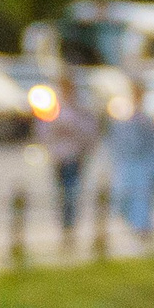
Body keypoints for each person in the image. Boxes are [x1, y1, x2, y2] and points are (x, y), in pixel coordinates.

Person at [102, 92, 154, 245]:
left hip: (144, 166)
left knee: (142, 199)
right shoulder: (124, 118)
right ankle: (138, 228)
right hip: (127, 166)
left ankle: (143, 230)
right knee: (122, 197)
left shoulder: (149, 119)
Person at [39, 76, 99, 248]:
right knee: (62, 192)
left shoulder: (80, 110)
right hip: (59, 157)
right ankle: (65, 226)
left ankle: (70, 226)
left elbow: (90, 133)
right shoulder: (54, 110)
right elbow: (44, 132)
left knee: (71, 192)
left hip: (75, 156)